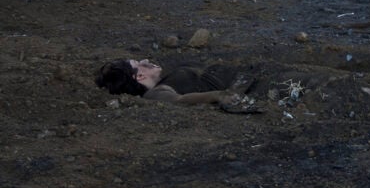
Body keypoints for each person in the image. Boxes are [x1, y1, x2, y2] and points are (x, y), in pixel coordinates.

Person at [95, 58, 263, 113]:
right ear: (139, 75)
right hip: (256, 86)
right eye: (138, 63)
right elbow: (179, 100)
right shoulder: (154, 94)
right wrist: (220, 95)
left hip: (249, 79)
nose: (145, 60)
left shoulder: (162, 83)